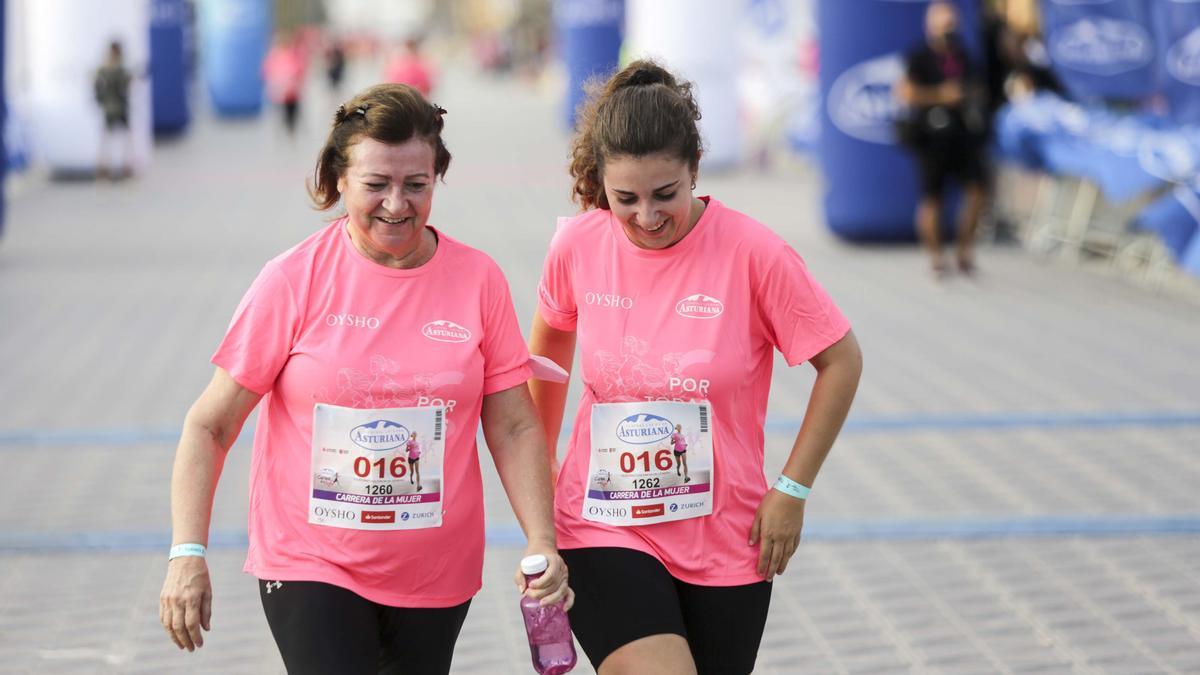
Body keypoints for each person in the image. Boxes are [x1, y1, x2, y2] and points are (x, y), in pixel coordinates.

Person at [159, 83, 571, 675]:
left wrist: (541, 540)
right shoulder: (293, 280)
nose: (397, 204)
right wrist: (187, 552)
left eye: (416, 185)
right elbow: (210, 425)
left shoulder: (478, 279)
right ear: (339, 181)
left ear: (437, 177)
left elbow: (512, 425)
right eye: (376, 185)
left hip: (436, 574)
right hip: (311, 562)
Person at [528, 60, 862, 674]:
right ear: (600, 180)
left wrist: (792, 488)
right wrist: (542, 467)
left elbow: (841, 360)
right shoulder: (577, 245)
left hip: (726, 534)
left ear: (695, 170)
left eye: (666, 195)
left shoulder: (755, 253)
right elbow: (546, 355)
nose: (647, 217)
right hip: (602, 523)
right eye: (624, 198)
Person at [895, 1, 988, 277]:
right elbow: (906, 94)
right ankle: (936, 257)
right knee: (932, 199)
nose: (949, 31)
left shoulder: (963, 56)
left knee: (976, 191)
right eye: (944, 25)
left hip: (961, 133)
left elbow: (978, 89)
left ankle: (963, 251)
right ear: (931, 27)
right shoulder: (918, 57)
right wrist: (941, 95)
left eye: (952, 25)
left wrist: (968, 96)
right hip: (931, 135)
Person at [94, 40, 133, 179]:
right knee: (110, 139)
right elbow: (100, 88)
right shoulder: (114, 69)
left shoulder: (107, 69)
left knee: (115, 139)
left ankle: (115, 168)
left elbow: (98, 88)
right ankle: (107, 169)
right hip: (115, 107)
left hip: (114, 107)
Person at [263, 32, 308, 136]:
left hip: (291, 91)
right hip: (280, 92)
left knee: (291, 112)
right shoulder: (274, 55)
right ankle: (285, 130)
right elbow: (266, 71)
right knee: (282, 113)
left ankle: (290, 130)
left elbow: (299, 70)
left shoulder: (292, 54)